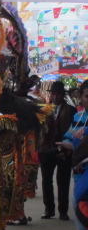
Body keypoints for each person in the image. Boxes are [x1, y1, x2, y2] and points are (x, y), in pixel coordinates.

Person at [56, 80, 88, 230]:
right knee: (83, 227)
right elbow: (70, 141)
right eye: (86, 96)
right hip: (81, 179)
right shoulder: (78, 118)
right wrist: (63, 145)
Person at [40, 81, 76, 221]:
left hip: (63, 149)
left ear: (62, 95)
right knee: (46, 181)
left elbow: (72, 131)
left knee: (63, 181)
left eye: (57, 94)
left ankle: (63, 211)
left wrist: (66, 148)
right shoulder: (45, 109)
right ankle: (49, 209)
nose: (54, 97)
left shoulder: (70, 110)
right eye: (53, 94)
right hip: (46, 149)